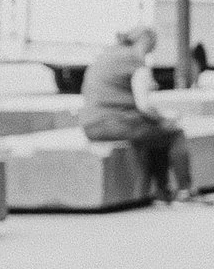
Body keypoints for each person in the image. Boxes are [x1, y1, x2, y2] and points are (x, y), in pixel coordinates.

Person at [79, 25, 198, 204]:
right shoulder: (135, 61)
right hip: (114, 123)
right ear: (145, 42)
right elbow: (144, 106)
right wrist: (165, 118)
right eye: (150, 50)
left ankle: (163, 192)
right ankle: (184, 190)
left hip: (90, 124)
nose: (148, 55)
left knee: (155, 133)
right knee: (173, 133)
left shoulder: (105, 56)